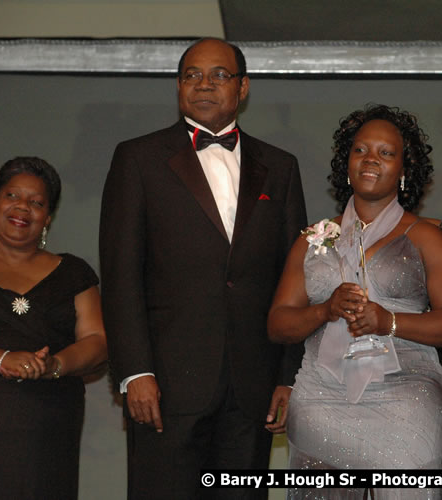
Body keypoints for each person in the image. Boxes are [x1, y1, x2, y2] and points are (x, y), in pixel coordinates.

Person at [100, 38, 307, 499]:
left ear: (243, 87)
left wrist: (287, 377)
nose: (204, 85)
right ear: (178, 87)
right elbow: (120, 276)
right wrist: (135, 372)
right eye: (192, 75)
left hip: (252, 386)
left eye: (219, 75)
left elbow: (294, 281)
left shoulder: (280, 167)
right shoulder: (137, 158)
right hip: (166, 386)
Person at [268, 104, 442, 499]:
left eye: (386, 152)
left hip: (405, 396)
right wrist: (324, 311)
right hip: (321, 399)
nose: (370, 160)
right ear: (346, 163)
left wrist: (389, 321)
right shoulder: (313, 240)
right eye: (360, 150)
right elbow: (278, 324)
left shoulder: (427, 239)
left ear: (404, 169)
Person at [0, 157, 107, 499]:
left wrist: (54, 365)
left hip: (50, 423)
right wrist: (2, 359)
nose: (22, 208)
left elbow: (97, 341)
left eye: (36, 202)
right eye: (12, 196)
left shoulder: (73, 272)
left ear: (48, 217)